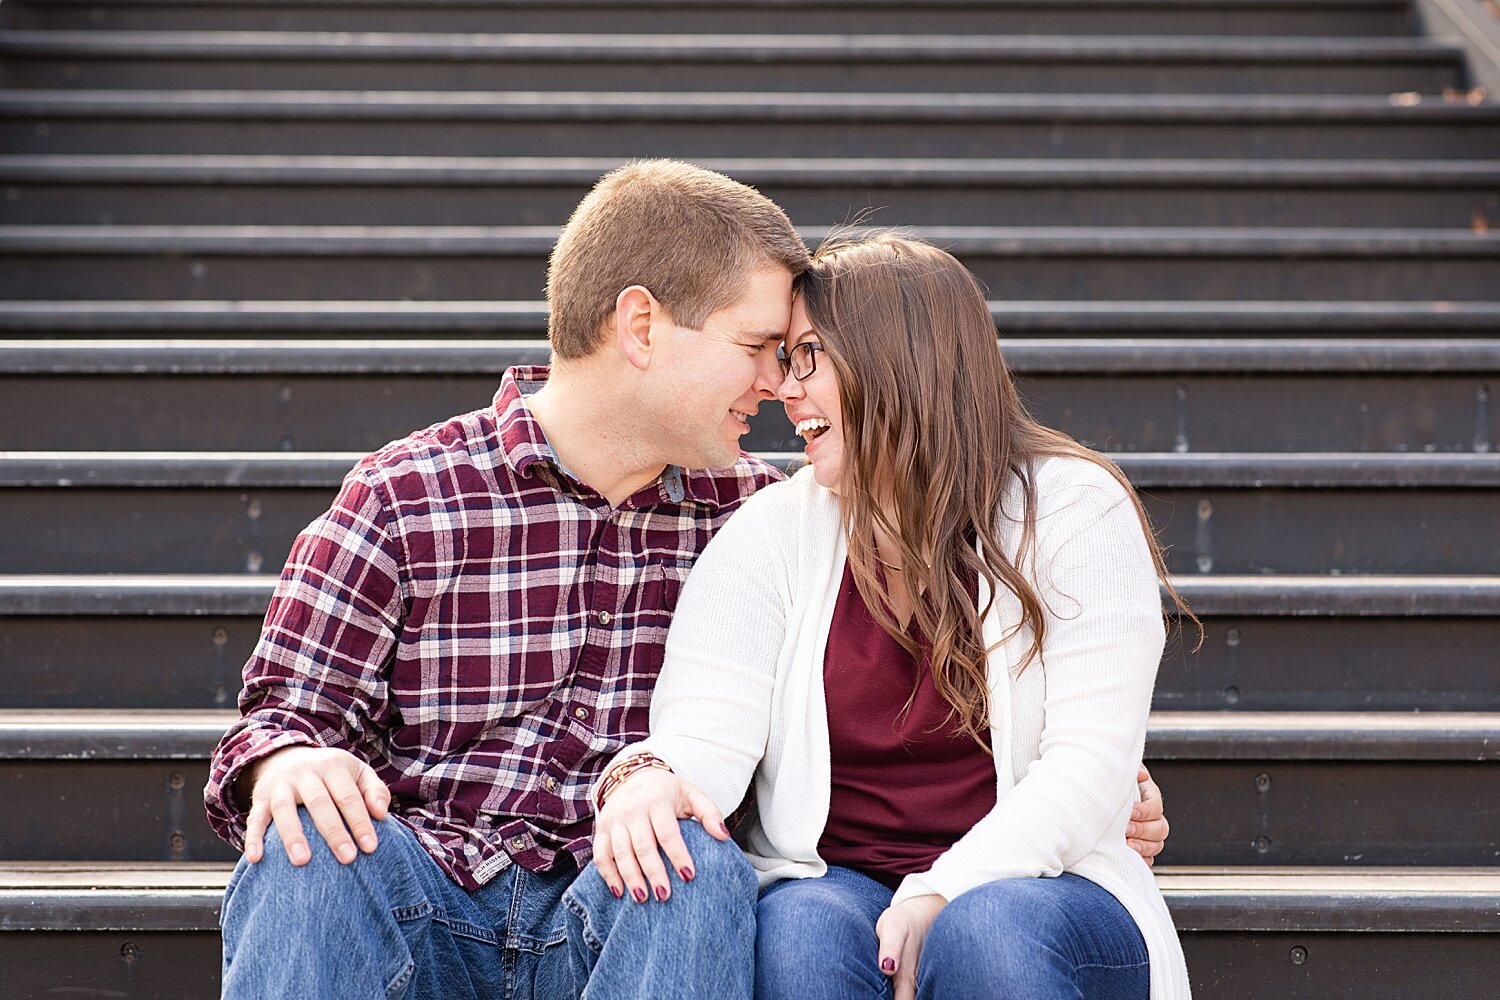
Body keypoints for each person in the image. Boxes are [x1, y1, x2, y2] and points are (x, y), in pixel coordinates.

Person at [203, 161, 1172, 999]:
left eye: (799, 359)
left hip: (626, 915)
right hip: (431, 897)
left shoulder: (752, 509)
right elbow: (281, 712)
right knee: (299, 848)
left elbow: (714, 745)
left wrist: (1077, 786)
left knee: (695, 865)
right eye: (761, 350)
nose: (778, 387)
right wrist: (283, 762)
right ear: (641, 326)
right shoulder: (412, 493)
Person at [592, 234, 1194, 1000]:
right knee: (799, 935)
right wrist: (653, 776)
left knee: (985, 930)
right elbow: (707, 732)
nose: (783, 388)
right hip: (835, 882)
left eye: (807, 356)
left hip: (1050, 888)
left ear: (893, 360)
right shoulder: (771, 533)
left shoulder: (1075, 511)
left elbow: (1089, 768)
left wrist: (939, 892)